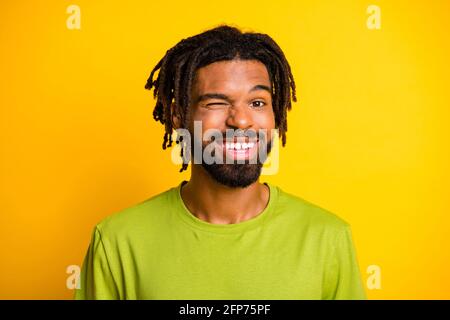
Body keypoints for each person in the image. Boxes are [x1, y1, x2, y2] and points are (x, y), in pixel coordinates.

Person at [74, 25, 366, 300]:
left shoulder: (328, 238)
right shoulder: (117, 241)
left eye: (257, 103)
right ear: (178, 116)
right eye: (216, 103)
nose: (240, 120)